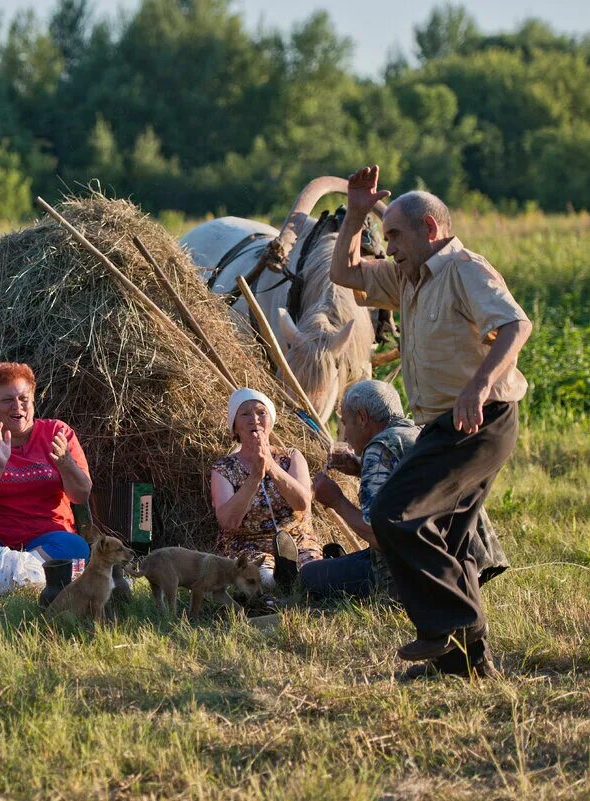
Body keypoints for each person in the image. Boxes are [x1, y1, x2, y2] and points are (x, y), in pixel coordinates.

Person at [330, 165, 532, 679]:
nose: (388, 244)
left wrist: (479, 385)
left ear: (431, 230)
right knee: (452, 537)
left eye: (394, 234)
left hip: (480, 418)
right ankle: (467, 663)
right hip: (446, 422)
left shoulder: (466, 269)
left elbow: (515, 324)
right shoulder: (408, 277)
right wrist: (355, 216)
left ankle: (449, 626)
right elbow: (345, 275)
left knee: (394, 512)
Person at [0, 362, 92, 563]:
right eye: (7, 400)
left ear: (33, 400)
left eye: (23, 398)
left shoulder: (58, 432)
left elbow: (81, 495)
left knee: (76, 548)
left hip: (48, 537)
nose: (17, 406)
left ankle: (0, 571)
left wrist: (66, 463)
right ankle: (27, 571)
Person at [302, 380, 419, 598]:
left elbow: (379, 536)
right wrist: (361, 469)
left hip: (408, 576)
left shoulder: (378, 448)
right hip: (450, 565)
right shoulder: (417, 432)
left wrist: (336, 500)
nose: (345, 435)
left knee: (309, 576)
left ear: (363, 418)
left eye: (346, 423)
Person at [210, 388, 320, 591]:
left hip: (297, 541)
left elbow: (302, 504)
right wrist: (254, 477)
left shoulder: (292, 457)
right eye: (245, 414)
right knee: (264, 580)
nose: (254, 419)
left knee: (314, 576)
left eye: (261, 412)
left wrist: (270, 465)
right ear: (235, 427)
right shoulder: (223, 468)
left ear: (271, 421)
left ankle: (296, 572)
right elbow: (227, 522)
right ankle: (281, 581)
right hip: (247, 546)